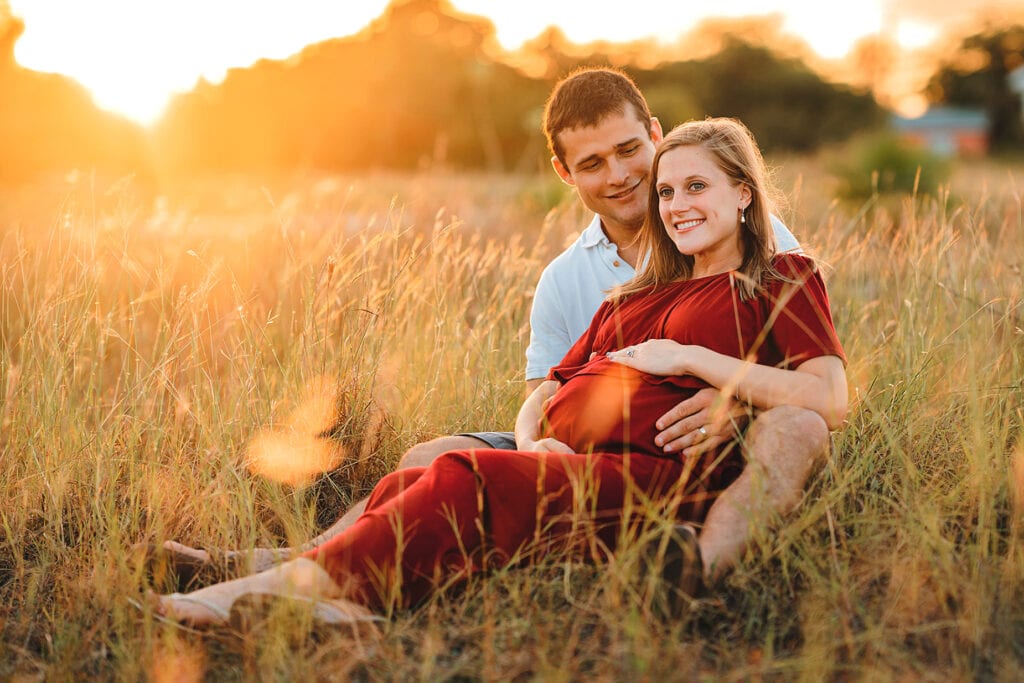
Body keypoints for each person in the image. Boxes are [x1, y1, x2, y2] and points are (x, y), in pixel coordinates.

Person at [152, 116, 848, 627]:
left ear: (744, 194)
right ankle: (349, 612)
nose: (677, 205)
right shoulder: (632, 295)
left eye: (696, 186)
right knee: (415, 474)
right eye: (667, 193)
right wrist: (538, 437)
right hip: (575, 457)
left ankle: (250, 595)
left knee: (466, 476)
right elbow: (550, 386)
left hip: (653, 475)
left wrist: (695, 361)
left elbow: (827, 398)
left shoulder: (779, 276)